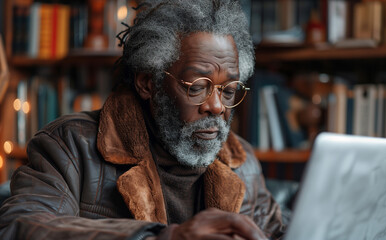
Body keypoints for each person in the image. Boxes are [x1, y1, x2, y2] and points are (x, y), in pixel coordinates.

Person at [0, 0, 286, 239]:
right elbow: (20, 225)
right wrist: (166, 237)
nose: (216, 106)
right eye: (197, 87)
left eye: (229, 90)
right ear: (148, 83)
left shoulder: (242, 161)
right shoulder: (71, 146)